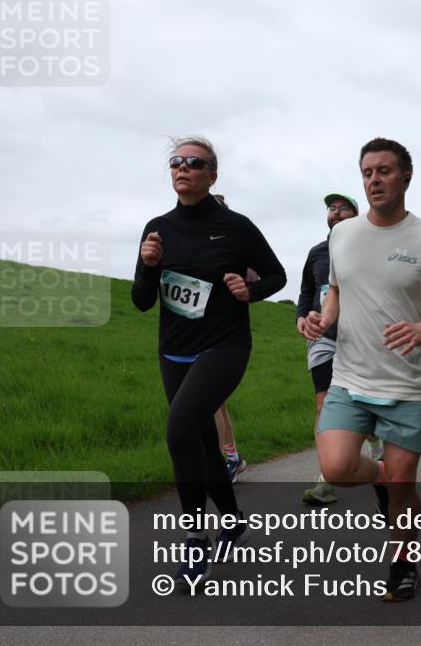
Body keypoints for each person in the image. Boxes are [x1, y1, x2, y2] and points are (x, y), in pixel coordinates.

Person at [303, 137, 421, 602]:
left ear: (406, 177)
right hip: (350, 377)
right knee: (335, 468)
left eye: (384, 171)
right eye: (367, 173)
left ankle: (402, 563)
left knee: (403, 488)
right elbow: (335, 290)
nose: (374, 180)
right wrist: (323, 319)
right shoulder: (343, 234)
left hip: (407, 383)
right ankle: (377, 474)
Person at [131, 136, 286, 586]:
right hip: (173, 349)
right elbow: (141, 301)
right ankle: (233, 519)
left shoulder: (235, 226)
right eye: (176, 162)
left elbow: (275, 274)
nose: (183, 168)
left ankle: (196, 541)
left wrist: (250, 290)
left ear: (212, 175)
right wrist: (147, 265)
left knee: (180, 428)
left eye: (194, 163)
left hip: (225, 346)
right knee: (200, 442)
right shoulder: (157, 228)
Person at [297, 192, 383, 505]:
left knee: (360, 403)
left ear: (356, 216)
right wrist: (301, 317)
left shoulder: (370, 251)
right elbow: (306, 291)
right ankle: (325, 479)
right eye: (331, 209)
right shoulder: (317, 252)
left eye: (343, 208)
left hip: (361, 339)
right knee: (324, 404)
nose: (335, 213)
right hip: (324, 337)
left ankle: (375, 441)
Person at [210, 194, 256, 483]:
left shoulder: (234, 243)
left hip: (224, 333)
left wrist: (243, 289)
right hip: (197, 334)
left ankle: (224, 461)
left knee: (213, 403)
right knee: (217, 404)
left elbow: (258, 279)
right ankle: (231, 457)